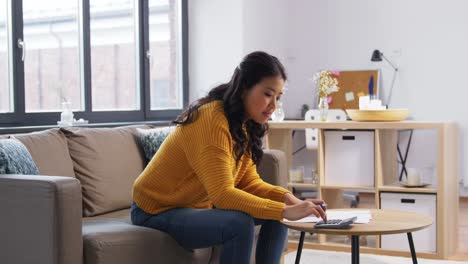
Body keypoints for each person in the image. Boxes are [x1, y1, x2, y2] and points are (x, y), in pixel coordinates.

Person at [131, 51, 327, 264]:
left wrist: (288, 200)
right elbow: (222, 195)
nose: (273, 106)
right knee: (240, 223)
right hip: (155, 209)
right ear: (244, 88)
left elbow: (249, 182)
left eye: (278, 97)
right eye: (268, 94)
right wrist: (284, 209)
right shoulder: (211, 119)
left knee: (278, 216)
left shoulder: (243, 123)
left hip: (190, 207)